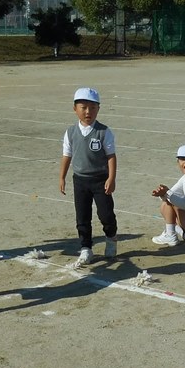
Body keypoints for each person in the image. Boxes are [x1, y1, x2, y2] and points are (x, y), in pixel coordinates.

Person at [58, 87, 118, 267]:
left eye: (92, 108)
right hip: (80, 180)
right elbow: (66, 155)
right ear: (75, 109)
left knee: (106, 214)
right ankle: (86, 248)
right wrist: (62, 177)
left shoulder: (103, 131)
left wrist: (111, 178)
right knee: (82, 216)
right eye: (83, 107)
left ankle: (111, 238)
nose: (88, 112)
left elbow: (111, 156)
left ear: (98, 109)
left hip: (100, 180)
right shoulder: (70, 132)